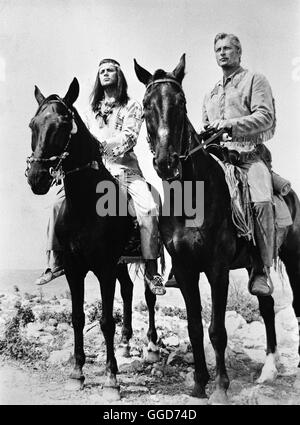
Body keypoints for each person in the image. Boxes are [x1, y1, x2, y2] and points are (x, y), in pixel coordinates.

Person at [35, 58, 166, 296]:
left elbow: (129, 137)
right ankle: (55, 262)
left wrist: (100, 146)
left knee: (148, 208)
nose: (105, 74)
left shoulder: (132, 107)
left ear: (119, 76)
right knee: (56, 205)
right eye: (102, 71)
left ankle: (151, 269)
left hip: (124, 170)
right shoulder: (88, 113)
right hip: (91, 171)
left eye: (110, 70)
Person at [202, 33, 276, 296]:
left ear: (239, 52)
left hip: (248, 158)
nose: (222, 53)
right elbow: (207, 126)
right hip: (218, 160)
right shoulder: (210, 93)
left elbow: (265, 117)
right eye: (218, 49)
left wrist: (230, 125)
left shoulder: (255, 80)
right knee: (183, 188)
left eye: (228, 48)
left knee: (262, 201)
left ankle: (260, 268)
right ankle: (179, 263)